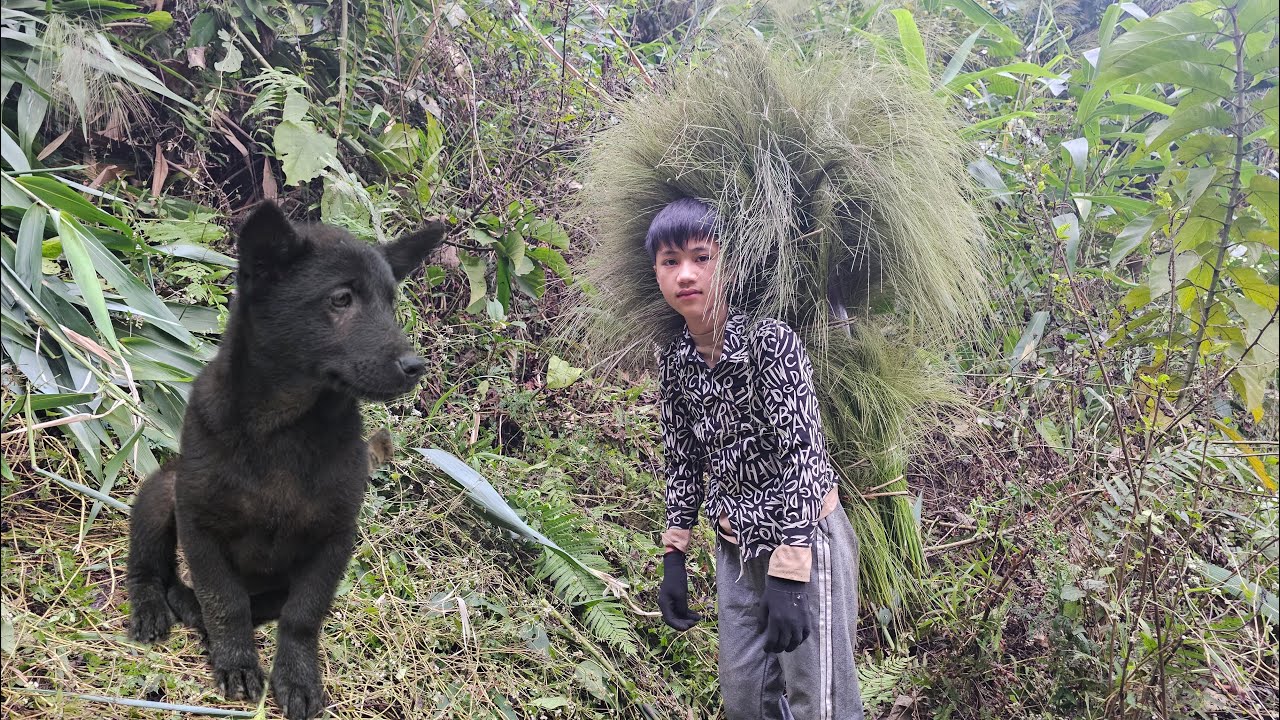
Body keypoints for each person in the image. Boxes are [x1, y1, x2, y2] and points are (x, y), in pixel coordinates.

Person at [649, 197, 865, 720]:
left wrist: (790, 571)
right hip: (736, 552)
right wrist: (674, 553)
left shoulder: (772, 343)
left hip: (805, 541)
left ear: (731, 262)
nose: (685, 274)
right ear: (655, 272)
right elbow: (683, 461)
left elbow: (802, 455)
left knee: (822, 704)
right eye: (670, 261)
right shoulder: (676, 362)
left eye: (702, 257)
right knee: (746, 700)